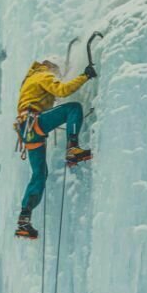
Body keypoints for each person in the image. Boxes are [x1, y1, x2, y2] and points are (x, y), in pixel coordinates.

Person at [15, 58, 97, 240]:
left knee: (39, 174)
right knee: (73, 108)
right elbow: (62, 90)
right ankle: (73, 148)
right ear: (50, 68)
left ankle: (24, 218)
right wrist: (85, 76)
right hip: (35, 122)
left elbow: (54, 94)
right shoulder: (43, 74)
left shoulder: (31, 79)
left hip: (27, 131)